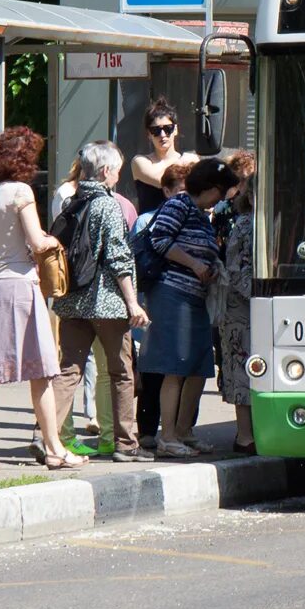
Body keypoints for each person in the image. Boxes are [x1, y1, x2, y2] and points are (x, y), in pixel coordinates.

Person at [0, 127, 85, 471]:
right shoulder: (21, 192)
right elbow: (35, 241)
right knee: (42, 371)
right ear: (24, 160)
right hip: (20, 287)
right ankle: (54, 448)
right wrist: (52, 240)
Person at [53, 142, 151, 463]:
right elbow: (119, 258)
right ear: (106, 171)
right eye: (118, 171)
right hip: (107, 304)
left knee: (68, 371)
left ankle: (51, 439)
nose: (118, 177)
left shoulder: (72, 201)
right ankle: (125, 443)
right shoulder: (108, 205)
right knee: (121, 371)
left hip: (72, 303)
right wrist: (133, 303)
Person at [139, 158, 239, 458]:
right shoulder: (179, 205)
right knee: (175, 365)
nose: (221, 199)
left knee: (198, 365)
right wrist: (195, 264)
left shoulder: (200, 213)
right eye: (220, 192)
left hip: (195, 297)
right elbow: (160, 240)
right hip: (172, 294)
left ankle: (184, 431)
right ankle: (167, 436)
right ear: (208, 187)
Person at [133, 160, 193, 449]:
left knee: (183, 368)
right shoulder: (147, 220)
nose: (184, 196)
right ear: (166, 192)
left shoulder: (196, 218)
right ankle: (147, 429)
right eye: (179, 191)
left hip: (186, 300)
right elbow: (137, 264)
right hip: (156, 297)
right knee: (154, 367)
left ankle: (182, 429)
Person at [210, 158, 256, 454]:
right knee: (241, 368)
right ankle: (245, 436)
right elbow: (236, 268)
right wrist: (262, 294)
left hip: (257, 306)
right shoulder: (244, 225)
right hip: (241, 308)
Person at [131, 97, 199, 214]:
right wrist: (183, 162)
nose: (162, 135)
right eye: (155, 130)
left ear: (175, 129)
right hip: (152, 227)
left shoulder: (191, 159)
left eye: (168, 129)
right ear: (148, 134)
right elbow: (163, 181)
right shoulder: (140, 161)